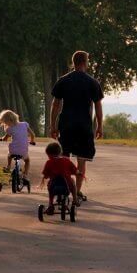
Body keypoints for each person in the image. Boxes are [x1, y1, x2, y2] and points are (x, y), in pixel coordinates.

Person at [50, 50, 103, 201]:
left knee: (64, 158)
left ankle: (63, 189)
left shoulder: (63, 80)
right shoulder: (92, 82)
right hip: (84, 126)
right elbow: (98, 106)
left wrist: (53, 126)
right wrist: (99, 126)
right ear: (85, 62)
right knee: (81, 159)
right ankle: (77, 193)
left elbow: (55, 105)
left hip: (66, 124)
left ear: (73, 62)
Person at [39, 142, 78, 215]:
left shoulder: (49, 162)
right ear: (60, 152)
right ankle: (75, 200)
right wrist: (78, 173)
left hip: (54, 187)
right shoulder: (67, 161)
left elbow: (46, 175)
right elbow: (75, 171)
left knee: (50, 185)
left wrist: (46, 176)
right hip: (67, 187)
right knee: (72, 180)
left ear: (49, 154)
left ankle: (50, 204)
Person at [0, 109, 36, 178]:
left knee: (9, 154)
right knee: (27, 161)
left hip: (13, 150)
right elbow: (32, 134)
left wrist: (2, 139)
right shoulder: (25, 124)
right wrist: (32, 141)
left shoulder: (9, 129)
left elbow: (5, 139)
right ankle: (25, 174)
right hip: (23, 150)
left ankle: (8, 166)